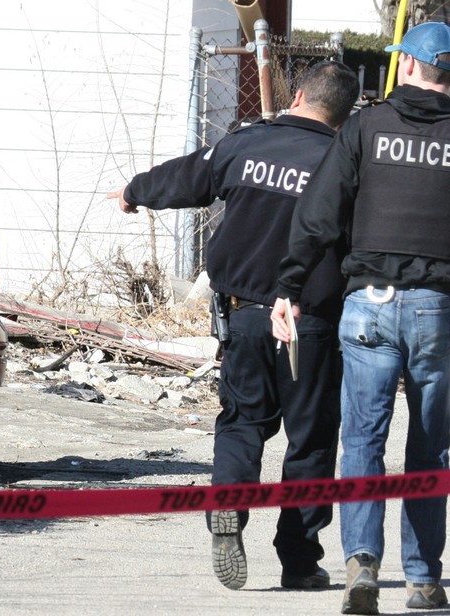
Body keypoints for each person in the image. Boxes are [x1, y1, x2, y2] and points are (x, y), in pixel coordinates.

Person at [107, 60, 360, 592]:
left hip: (244, 315)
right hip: (310, 323)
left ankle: (228, 504)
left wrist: (134, 190)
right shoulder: (346, 161)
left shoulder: (248, 144)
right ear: (345, 114)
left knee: (243, 423)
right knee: (310, 441)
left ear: (297, 97)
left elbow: (187, 177)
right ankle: (299, 560)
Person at [271, 21, 450, 615]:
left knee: (362, 442)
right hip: (438, 309)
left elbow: (319, 214)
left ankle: (362, 567)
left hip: (369, 305)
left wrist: (290, 287)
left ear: (407, 65)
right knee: (431, 449)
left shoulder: (367, 126)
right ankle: (423, 580)